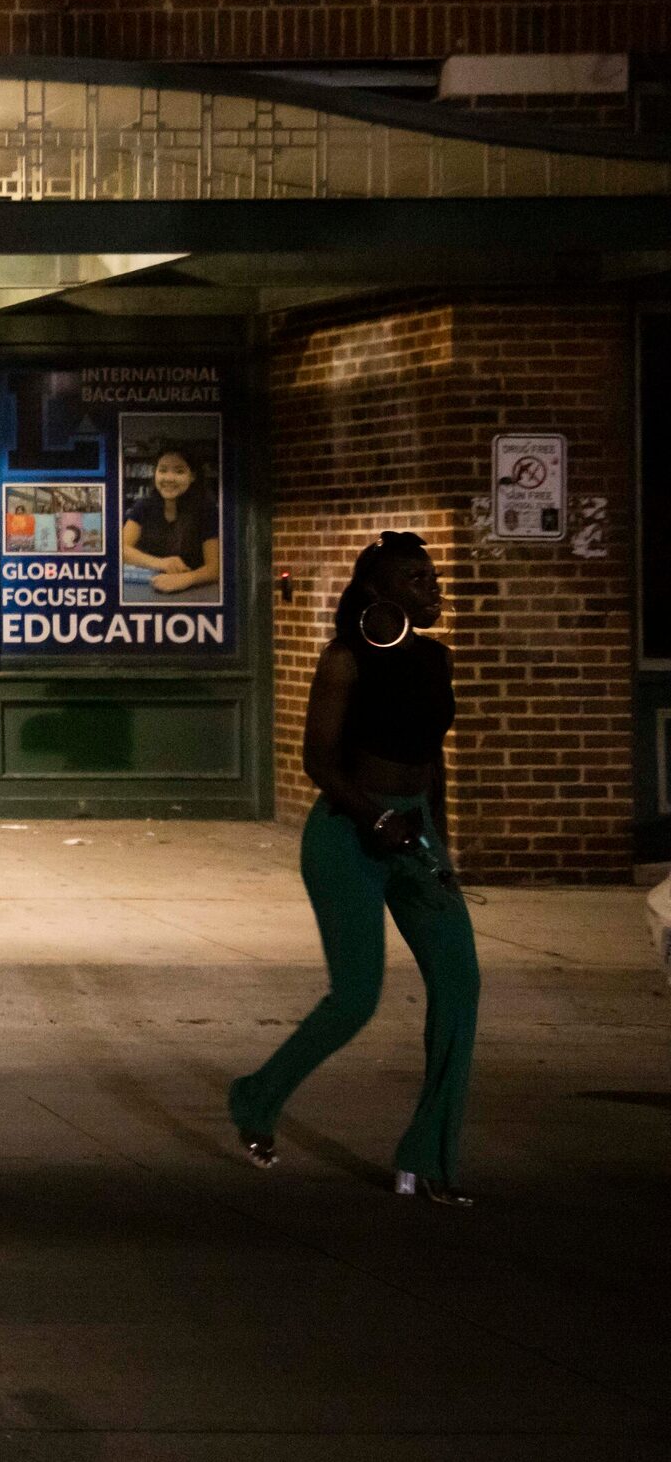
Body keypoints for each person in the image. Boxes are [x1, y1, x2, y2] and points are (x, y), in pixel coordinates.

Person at [229, 530, 478, 1206]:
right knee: (357, 997)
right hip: (347, 837)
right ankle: (256, 1096)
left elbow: (433, 763)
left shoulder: (437, 660)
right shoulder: (345, 660)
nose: (432, 588)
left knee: (460, 988)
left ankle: (428, 1158)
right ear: (379, 591)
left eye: (433, 577)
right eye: (416, 578)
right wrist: (376, 820)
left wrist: (440, 845)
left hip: (415, 836)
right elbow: (320, 762)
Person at [121, 444, 222, 597]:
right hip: (150, 589)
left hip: (195, 593)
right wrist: (160, 563)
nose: (169, 478)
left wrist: (185, 579)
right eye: (162, 470)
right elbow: (120, 548)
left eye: (179, 471)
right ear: (155, 473)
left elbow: (215, 568)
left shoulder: (206, 510)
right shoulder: (143, 506)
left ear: (192, 476)